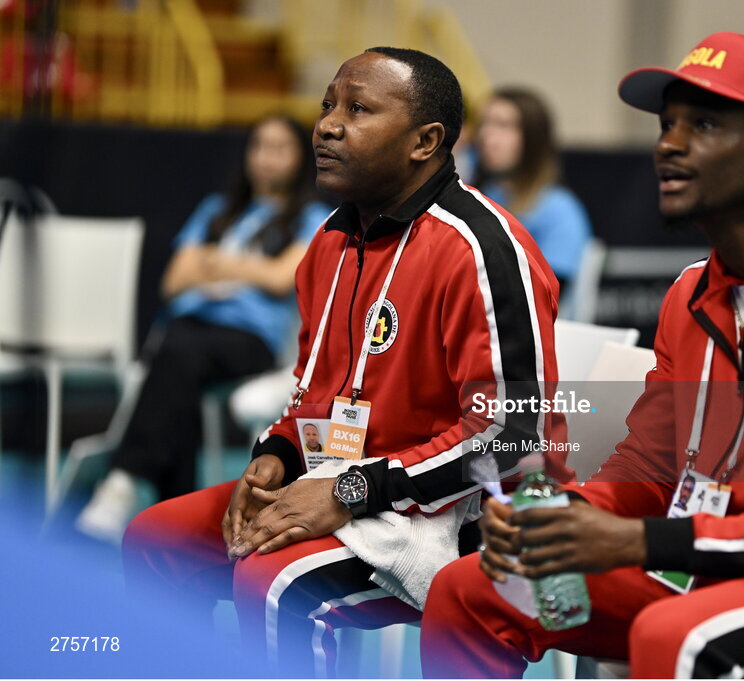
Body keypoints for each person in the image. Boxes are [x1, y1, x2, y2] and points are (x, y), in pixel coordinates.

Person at [420, 32, 744, 679]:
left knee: (679, 637)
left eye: (702, 124)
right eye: (667, 124)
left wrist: (643, 540)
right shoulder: (689, 294)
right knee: (470, 588)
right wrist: (567, 519)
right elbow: (650, 463)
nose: (668, 144)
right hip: (709, 561)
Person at [122, 47, 568, 677]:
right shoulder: (333, 239)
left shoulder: (482, 248)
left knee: (275, 587)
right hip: (350, 486)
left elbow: (515, 437)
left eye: (358, 109)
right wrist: (274, 457)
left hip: (469, 512)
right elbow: (312, 391)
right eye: (328, 104)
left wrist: (355, 488)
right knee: (155, 541)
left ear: (425, 141)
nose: (328, 125)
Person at [76, 115, 331, 543]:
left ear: (299, 159)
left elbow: (279, 277)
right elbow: (174, 280)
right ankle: (171, 510)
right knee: (180, 357)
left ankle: (123, 480)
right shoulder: (217, 209)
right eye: (259, 146)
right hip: (189, 331)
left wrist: (213, 263)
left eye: (279, 148)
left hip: (250, 339)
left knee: (177, 353)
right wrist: (248, 269)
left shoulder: (311, 217)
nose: (266, 158)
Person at [474, 87, 593, 300]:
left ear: (533, 138)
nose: (486, 136)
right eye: (484, 123)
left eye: (503, 125)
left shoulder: (559, 209)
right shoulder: (481, 195)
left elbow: (545, 294)